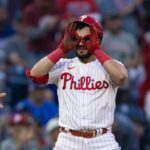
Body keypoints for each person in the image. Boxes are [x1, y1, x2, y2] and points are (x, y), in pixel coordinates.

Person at [26, 15, 128, 149]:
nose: (81, 43)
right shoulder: (63, 65)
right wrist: (62, 49)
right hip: (68, 140)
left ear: (97, 39)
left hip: (102, 140)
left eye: (87, 39)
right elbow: (35, 74)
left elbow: (121, 77)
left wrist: (96, 49)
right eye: (76, 39)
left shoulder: (111, 65)